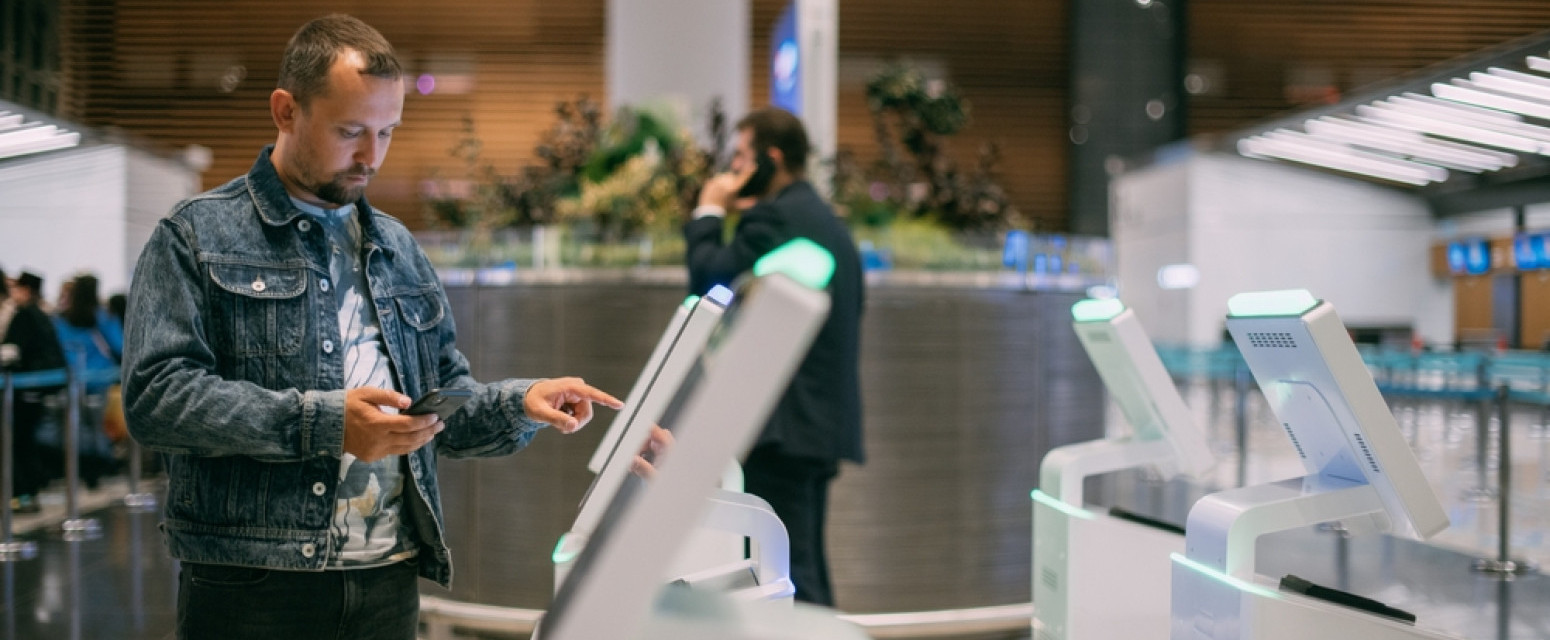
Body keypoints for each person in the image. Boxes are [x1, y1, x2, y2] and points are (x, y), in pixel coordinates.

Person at [120, 15, 621, 640]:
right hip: (254, 582)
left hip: (388, 577)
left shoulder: (396, 246)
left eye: (386, 131)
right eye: (350, 130)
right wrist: (329, 423)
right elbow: (155, 399)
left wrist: (521, 401)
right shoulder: (196, 234)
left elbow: (443, 411)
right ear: (285, 110)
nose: (371, 155)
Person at [683, 107, 865, 606]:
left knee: (791, 569)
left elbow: (709, 278)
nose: (733, 170)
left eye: (741, 158)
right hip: (814, 422)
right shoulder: (820, 216)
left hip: (784, 423)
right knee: (802, 561)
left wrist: (710, 211)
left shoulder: (777, 215)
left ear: (771, 158)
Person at [0, 268, 67, 513]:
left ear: (25, 289)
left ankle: (23, 495)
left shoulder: (25, 315)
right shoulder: (42, 314)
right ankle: (28, 493)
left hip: (23, 390)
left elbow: (13, 351)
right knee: (25, 442)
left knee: (18, 443)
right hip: (37, 389)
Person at [49, 274, 123, 488]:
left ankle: (81, 469)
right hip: (101, 378)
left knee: (77, 428)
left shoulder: (61, 320)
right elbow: (119, 345)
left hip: (73, 379)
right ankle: (100, 468)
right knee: (99, 428)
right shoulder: (101, 316)